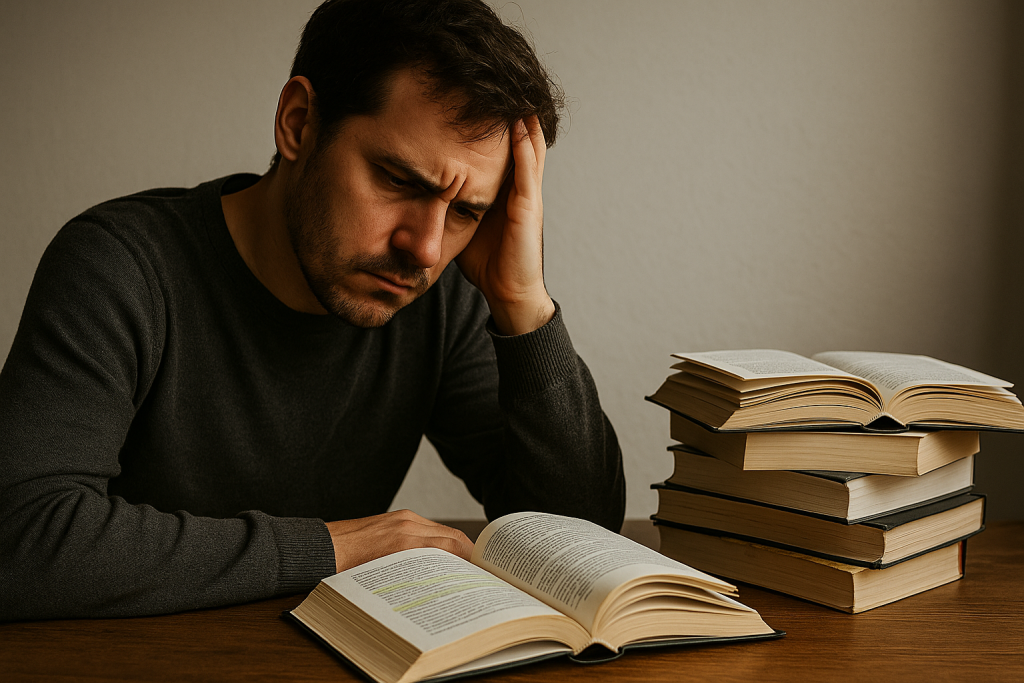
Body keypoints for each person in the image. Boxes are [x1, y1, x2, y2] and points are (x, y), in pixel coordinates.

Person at [0, 0, 624, 621]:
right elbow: (21, 539)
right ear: (298, 123)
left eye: (466, 212)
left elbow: (578, 545)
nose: (425, 249)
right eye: (400, 181)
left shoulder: (440, 298)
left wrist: (524, 303)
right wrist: (330, 548)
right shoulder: (121, 266)